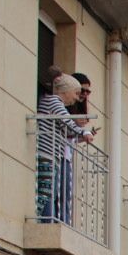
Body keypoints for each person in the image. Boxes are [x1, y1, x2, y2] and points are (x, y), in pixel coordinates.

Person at [36, 71, 92, 225]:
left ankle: (47, 220)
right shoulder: (54, 101)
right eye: (76, 93)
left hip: (52, 153)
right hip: (47, 153)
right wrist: (84, 132)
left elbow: (66, 128)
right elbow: (67, 122)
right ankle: (45, 221)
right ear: (66, 90)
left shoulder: (52, 102)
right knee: (48, 191)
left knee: (50, 191)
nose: (76, 98)